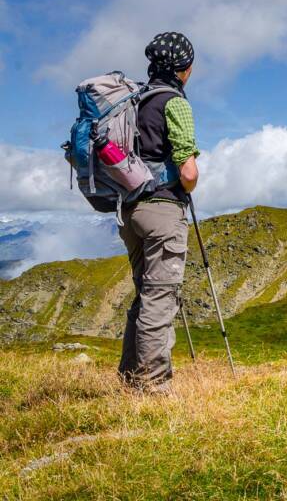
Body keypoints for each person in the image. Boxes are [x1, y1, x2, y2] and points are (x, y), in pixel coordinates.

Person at [118, 32, 200, 393]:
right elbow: (188, 172)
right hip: (163, 210)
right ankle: (152, 388)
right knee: (160, 297)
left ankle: (130, 378)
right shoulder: (174, 103)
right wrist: (188, 185)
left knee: (144, 294)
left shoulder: (134, 101)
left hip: (129, 210)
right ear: (184, 68)